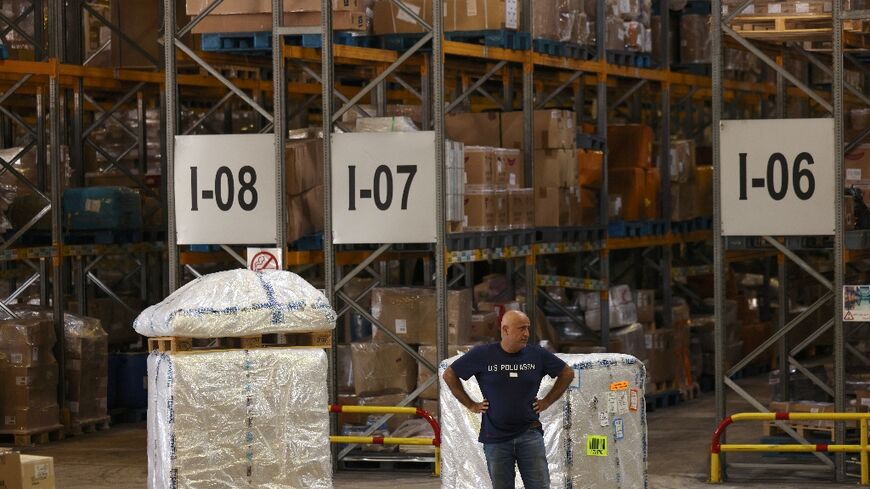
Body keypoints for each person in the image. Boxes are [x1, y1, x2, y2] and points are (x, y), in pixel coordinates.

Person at [442, 310, 575, 489]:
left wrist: (547, 401)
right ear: (505, 330)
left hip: (529, 434)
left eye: (528, 328)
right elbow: (449, 374)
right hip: (495, 438)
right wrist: (471, 404)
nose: (526, 333)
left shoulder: (537, 354)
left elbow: (567, 373)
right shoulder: (483, 354)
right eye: (521, 328)